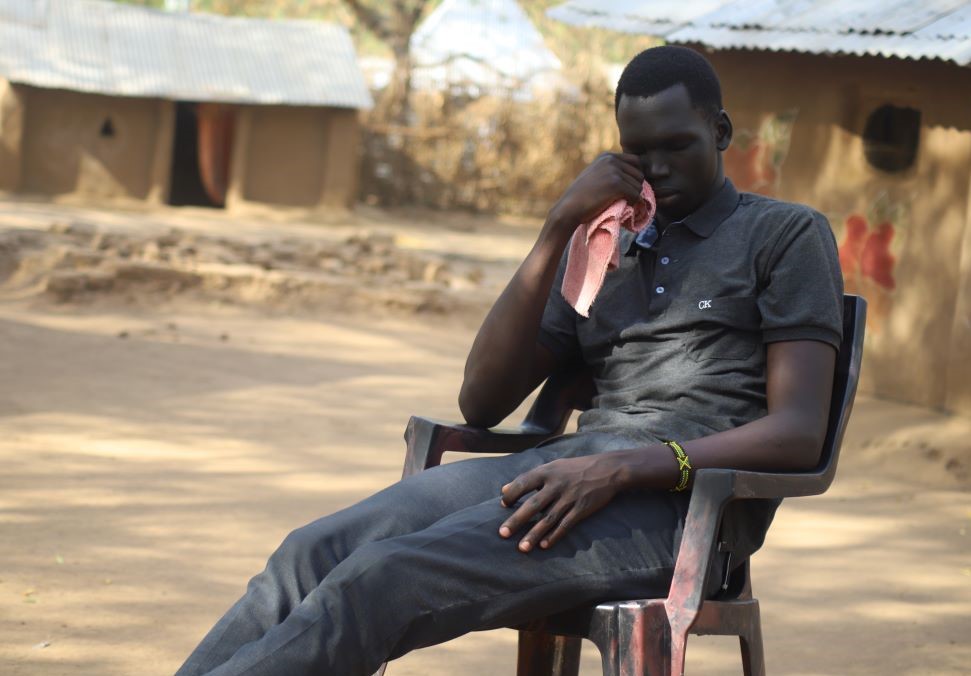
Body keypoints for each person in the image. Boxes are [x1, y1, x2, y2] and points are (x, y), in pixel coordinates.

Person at [176, 45, 843, 676]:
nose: (657, 168)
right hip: (561, 477)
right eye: (638, 153)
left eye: (677, 146)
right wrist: (559, 228)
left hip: (679, 510)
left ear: (720, 131)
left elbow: (797, 431)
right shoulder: (604, 244)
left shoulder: (783, 235)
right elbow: (483, 401)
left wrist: (621, 468)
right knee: (309, 551)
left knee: (383, 576)